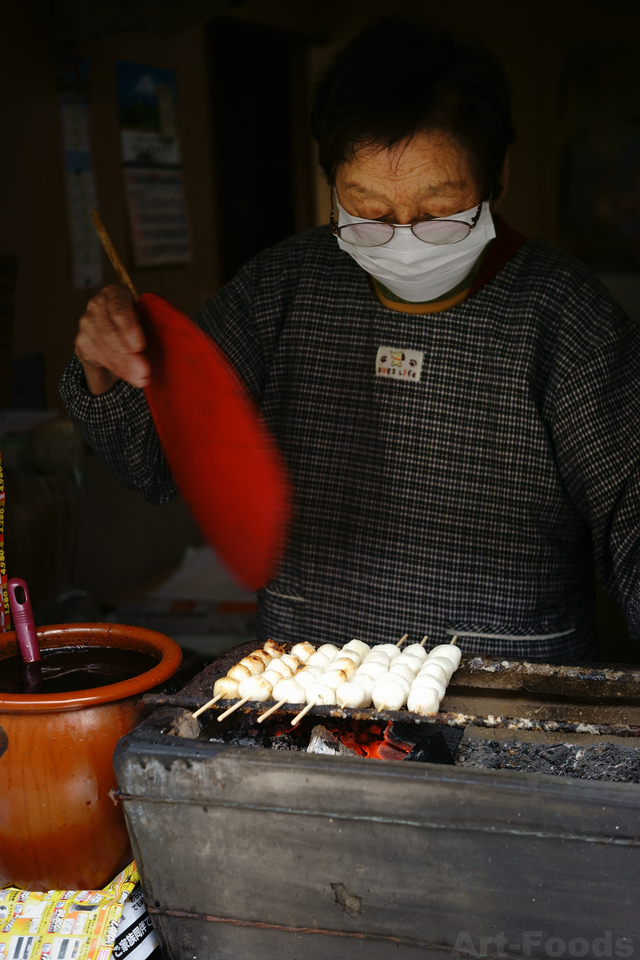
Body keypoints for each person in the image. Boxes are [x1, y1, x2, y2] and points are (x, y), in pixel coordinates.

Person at [61, 16, 640, 662]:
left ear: (497, 177)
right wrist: (104, 366)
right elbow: (157, 459)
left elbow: (634, 511)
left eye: (437, 213)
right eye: (367, 212)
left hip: (513, 684)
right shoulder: (284, 285)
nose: (402, 237)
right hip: (311, 680)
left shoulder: (566, 316)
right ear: (331, 183)